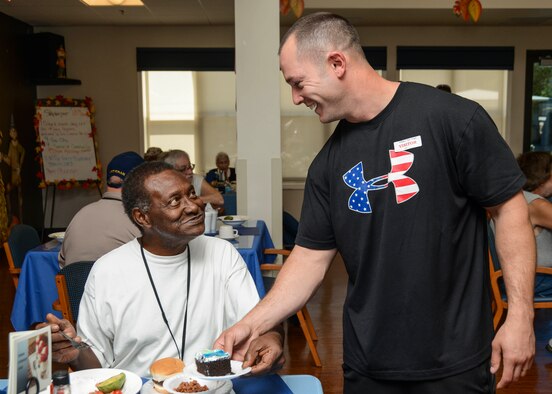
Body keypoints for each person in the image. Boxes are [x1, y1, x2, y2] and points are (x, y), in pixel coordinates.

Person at [215, 12, 536, 393]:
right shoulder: (327, 164)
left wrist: (520, 315)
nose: (295, 98)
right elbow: (308, 260)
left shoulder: (453, 119)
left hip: (455, 361)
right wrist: (250, 324)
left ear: (337, 63)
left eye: (298, 83)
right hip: (368, 365)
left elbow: (509, 208)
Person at [39, 161, 284, 377]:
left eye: (192, 194)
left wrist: (270, 337)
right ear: (142, 217)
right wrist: (74, 352)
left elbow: (259, 323)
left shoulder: (222, 254)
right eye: (175, 201)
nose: (193, 207)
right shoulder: (107, 271)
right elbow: (95, 365)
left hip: (210, 386)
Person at [58, 151, 144, 267]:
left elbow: (62, 264)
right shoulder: (139, 221)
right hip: (118, 284)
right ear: (140, 184)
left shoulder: (79, 215)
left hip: (74, 285)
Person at [516, 151, 552, 295]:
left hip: (528, 277)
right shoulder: (534, 204)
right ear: (542, 179)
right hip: (538, 279)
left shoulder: (519, 198)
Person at [160, 149, 224, 209]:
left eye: (190, 167)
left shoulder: (196, 179)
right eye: (183, 169)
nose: (190, 172)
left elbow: (219, 199)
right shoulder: (162, 185)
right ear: (171, 172)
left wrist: (191, 200)